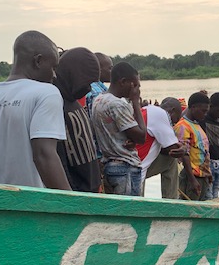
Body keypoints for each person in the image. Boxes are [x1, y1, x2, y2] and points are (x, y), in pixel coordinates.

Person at [0, 30, 71, 190]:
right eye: (53, 67)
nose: (54, 75)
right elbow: (44, 155)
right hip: (32, 202)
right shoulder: (46, 93)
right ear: (38, 61)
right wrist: (71, 202)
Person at [91, 62, 147, 196]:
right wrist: (136, 102)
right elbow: (142, 136)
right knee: (129, 209)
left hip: (109, 165)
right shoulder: (117, 105)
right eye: (135, 85)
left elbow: (121, 131)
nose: (137, 90)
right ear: (123, 82)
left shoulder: (98, 100)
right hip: (125, 167)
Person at [54, 47, 101, 192]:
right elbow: (57, 157)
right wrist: (70, 194)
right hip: (74, 193)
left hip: (90, 191)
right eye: (87, 82)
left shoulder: (73, 101)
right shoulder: (55, 103)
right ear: (74, 75)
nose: (89, 89)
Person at [138, 97, 185, 199]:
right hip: (135, 169)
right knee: (172, 160)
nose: (174, 124)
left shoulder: (147, 109)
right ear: (172, 111)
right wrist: (183, 149)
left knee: (169, 160)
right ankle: (171, 202)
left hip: (133, 163)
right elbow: (174, 149)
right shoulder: (160, 114)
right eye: (176, 119)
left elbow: (165, 148)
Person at [174, 92, 211, 200]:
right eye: (203, 111)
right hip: (192, 177)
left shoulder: (196, 125)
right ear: (193, 107)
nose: (205, 114)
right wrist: (192, 179)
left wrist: (208, 173)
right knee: (190, 207)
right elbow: (184, 154)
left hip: (202, 176)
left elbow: (203, 151)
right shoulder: (182, 126)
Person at [202, 92, 219, 199]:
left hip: (218, 164)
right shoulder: (203, 120)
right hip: (207, 164)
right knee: (208, 196)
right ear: (211, 106)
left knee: (216, 195)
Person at [83, 52, 113, 119]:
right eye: (110, 68)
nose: (112, 71)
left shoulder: (91, 87)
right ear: (98, 69)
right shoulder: (96, 93)